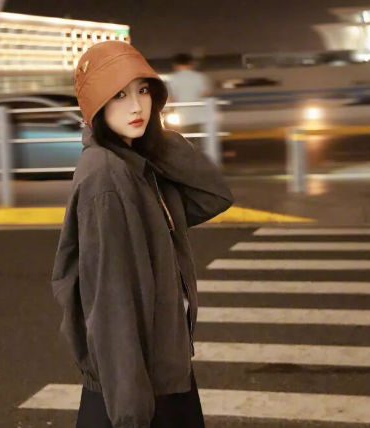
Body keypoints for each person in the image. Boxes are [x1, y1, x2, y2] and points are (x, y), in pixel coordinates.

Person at [51, 41, 234, 428]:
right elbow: (110, 302)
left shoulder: (136, 164)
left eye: (143, 90)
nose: (136, 106)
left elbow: (213, 196)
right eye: (118, 94)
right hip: (138, 381)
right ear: (96, 104)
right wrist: (131, 410)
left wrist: (155, 139)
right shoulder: (106, 178)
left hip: (161, 365)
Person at [166, 53, 212, 146]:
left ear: (175, 64)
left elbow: (171, 98)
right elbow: (205, 94)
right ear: (191, 63)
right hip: (199, 117)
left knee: (183, 143)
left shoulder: (172, 79)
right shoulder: (200, 77)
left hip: (181, 117)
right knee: (198, 143)